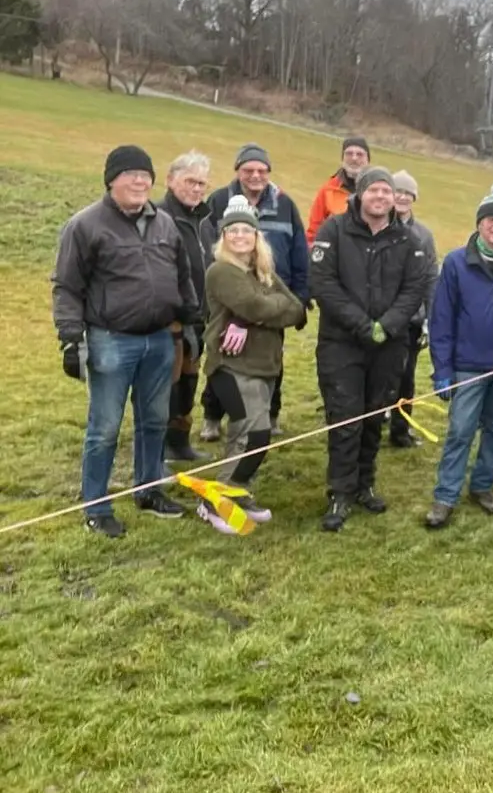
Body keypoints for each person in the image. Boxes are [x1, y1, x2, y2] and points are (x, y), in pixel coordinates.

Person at [51, 145, 199, 537]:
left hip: (160, 340)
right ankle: (96, 507)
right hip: (110, 341)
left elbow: (182, 275)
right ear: (111, 180)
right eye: (130, 174)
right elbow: (67, 286)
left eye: (145, 175)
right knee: (105, 428)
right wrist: (70, 339)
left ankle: (148, 490)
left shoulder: (165, 224)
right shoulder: (85, 225)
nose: (139, 181)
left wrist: (190, 319)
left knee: (154, 420)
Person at [310, 166, 431, 532]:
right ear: (360, 194)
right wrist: (363, 325)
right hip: (341, 343)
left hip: (388, 346)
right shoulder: (335, 230)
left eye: (387, 191)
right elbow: (323, 283)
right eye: (374, 190)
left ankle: (365, 483)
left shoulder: (408, 239)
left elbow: (414, 288)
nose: (381, 196)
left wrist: (388, 325)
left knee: (374, 416)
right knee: (345, 418)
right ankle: (341, 491)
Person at [424, 184, 493, 528]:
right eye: (490, 220)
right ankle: (445, 496)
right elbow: (441, 319)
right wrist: (442, 369)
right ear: (479, 224)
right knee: (461, 429)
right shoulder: (456, 263)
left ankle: (482, 485)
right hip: (468, 366)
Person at [198, 195, 305, 532]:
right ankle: (216, 501)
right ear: (224, 236)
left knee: (245, 436)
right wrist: (259, 311)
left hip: (265, 366)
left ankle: (237, 492)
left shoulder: (263, 271)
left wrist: (250, 317)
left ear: (256, 235)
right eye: (233, 230)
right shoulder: (221, 270)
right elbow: (255, 306)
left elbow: (296, 309)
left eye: (246, 230)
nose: (240, 236)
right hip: (232, 367)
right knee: (254, 433)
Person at [199, 142, 309, 440]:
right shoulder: (219, 199)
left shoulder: (284, 204)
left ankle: (270, 415)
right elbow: (209, 246)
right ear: (238, 171)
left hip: (274, 292)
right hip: (229, 297)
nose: (255, 176)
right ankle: (212, 416)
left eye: (262, 170)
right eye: (249, 170)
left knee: (271, 356)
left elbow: (299, 249)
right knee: (226, 356)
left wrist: (300, 297)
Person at [157, 150, 212, 462]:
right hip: (170, 320)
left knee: (190, 379)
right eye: (190, 181)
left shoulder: (204, 219)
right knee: (169, 383)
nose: (196, 188)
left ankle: (180, 440)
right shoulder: (159, 217)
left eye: (201, 183)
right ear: (170, 180)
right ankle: (159, 444)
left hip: (199, 317)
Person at [386, 169, 440, 449]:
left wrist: (430, 317)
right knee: (378, 377)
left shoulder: (424, 235)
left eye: (408, 193)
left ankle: (400, 430)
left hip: (412, 321)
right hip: (380, 318)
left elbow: (431, 276)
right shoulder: (378, 227)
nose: (403, 197)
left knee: (406, 378)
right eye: (398, 191)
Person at [306, 136, 370, 244]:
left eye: (360, 154)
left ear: (368, 160)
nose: (354, 158)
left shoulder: (379, 190)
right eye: (349, 153)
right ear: (342, 158)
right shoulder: (328, 189)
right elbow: (314, 230)